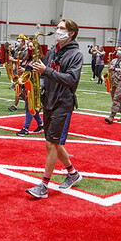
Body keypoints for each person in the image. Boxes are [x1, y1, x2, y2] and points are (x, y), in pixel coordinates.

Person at [25, 18, 83, 199]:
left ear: (71, 33)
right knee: (54, 143)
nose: (57, 31)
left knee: (51, 143)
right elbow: (46, 74)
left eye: (62, 28)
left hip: (63, 103)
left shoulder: (76, 55)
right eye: (57, 28)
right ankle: (73, 173)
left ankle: (44, 185)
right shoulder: (51, 52)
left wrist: (46, 72)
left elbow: (71, 79)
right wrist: (35, 76)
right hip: (48, 100)